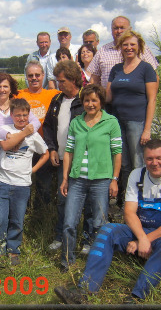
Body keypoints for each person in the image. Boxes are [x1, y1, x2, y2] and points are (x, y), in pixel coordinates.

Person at [54, 139, 161, 304]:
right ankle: (84, 292)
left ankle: (136, 299)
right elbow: (129, 213)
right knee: (107, 230)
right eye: (149, 159)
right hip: (141, 232)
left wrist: (144, 240)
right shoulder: (137, 175)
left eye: (159, 158)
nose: (154, 163)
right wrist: (141, 238)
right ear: (144, 159)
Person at [59, 84, 122, 272]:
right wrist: (65, 178)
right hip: (77, 180)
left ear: (101, 101)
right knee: (69, 222)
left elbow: (117, 152)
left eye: (94, 100)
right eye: (86, 100)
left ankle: (96, 262)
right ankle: (66, 260)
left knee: (99, 223)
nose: (90, 104)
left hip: (101, 180)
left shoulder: (111, 122)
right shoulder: (76, 122)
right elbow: (69, 151)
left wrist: (114, 179)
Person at [0, 98, 49, 267]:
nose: (22, 118)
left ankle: (13, 250)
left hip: (22, 184)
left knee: (17, 219)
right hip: (2, 181)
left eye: (25, 115)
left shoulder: (35, 135)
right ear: (11, 115)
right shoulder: (5, 130)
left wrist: (33, 170)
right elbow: (6, 146)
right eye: (18, 115)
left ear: (28, 115)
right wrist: (24, 132)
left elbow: (45, 153)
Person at [0, 73, 41, 236]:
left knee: (15, 205)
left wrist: (20, 138)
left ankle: (12, 239)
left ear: (11, 89)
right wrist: (9, 137)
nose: (2, 89)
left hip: (16, 161)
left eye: (5, 86)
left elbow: (35, 122)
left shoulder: (16, 106)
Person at [43, 60, 92, 254]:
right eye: (57, 80)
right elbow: (48, 126)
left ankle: (88, 240)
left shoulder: (85, 100)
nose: (58, 84)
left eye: (62, 81)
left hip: (83, 160)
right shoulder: (56, 100)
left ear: (73, 80)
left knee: (87, 201)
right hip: (62, 159)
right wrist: (52, 149)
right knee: (63, 200)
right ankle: (60, 237)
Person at [106, 30, 158, 202]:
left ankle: (143, 201)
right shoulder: (116, 69)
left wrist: (147, 129)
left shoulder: (146, 68)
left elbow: (152, 100)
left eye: (132, 45)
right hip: (117, 122)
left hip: (137, 122)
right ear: (120, 47)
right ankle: (128, 201)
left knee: (138, 163)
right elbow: (107, 97)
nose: (129, 48)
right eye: (125, 45)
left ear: (139, 47)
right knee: (124, 164)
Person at [16, 60, 60, 209]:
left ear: (43, 76)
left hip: (44, 147)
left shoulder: (53, 94)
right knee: (22, 182)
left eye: (37, 75)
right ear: (26, 77)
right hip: (24, 146)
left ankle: (41, 214)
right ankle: (24, 211)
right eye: (30, 75)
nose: (34, 78)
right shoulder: (18, 95)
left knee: (44, 184)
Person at [87, 16, 159, 89]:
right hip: (108, 98)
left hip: (135, 98)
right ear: (111, 30)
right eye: (116, 28)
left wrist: (152, 99)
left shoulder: (141, 48)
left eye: (122, 28)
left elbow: (154, 76)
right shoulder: (103, 50)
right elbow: (94, 79)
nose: (119, 31)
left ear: (130, 29)